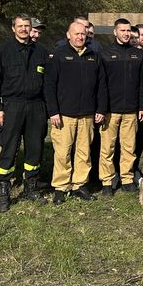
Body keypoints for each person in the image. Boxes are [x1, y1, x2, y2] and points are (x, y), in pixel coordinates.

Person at [0, 14, 49, 213]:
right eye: (20, 26)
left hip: (36, 107)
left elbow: (48, 84)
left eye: (26, 26)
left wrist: (48, 108)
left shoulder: (41, 52)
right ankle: (3, 190)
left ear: (31, 29)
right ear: (13, 28)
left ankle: (31, 187)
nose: (23, 29)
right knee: (9, 149)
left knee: (35, 148)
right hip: (12, 106)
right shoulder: (3, 52)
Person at [44, 21, 107, 205]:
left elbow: (101, 86)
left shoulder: (93, 56)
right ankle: (61, 187)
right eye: (77, 34)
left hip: (87, 114)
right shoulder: (58, 56)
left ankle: (80, 184)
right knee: (62, 152)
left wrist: (100, 109)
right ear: (68, 35)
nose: (80, 37)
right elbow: (49, 85)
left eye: (83, 34)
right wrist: (53, 111)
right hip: (64, 115)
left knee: (83, 152)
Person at [99, 18, 143, 197]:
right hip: (110, 110)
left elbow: (142, 84)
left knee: (129, 147)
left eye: (128, 31)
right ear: (115, 32)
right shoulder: (105, 54)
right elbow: (101, 85)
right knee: (108, 147)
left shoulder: (137, 55)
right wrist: (101, 109)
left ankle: (127, 179)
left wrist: (142, 106)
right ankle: (107, 181)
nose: (126, 34)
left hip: (131, 110)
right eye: (122, 30)